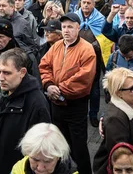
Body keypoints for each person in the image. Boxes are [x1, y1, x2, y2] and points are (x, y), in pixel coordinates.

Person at [39, 12, 97, 172]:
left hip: (75, 105)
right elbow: (44, 66)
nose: (66, 30)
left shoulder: (87, 49)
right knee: (59, 143)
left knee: (78, 146)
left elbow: (83, 78)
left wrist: (59, 90)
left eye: (70, 27)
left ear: (78, 28)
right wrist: (49, 85)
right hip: (56, 104)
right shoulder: (56, 46)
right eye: (64, 27)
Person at [0, 48, 51, 174]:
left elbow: (38, 150)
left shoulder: (37, 104)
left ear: (22, 72)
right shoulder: (5, 92)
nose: (1, 78)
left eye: (7, 73)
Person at [93, 68, 133, 174]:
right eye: (132, 88)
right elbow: (119, 154)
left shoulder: (132, 103)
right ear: (119, 93)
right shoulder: (115, 119)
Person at [11, 123, 77, 174]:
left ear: (59, 157)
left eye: (47, 161)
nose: (40, 168)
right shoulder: (19, 170)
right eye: (35, 159)